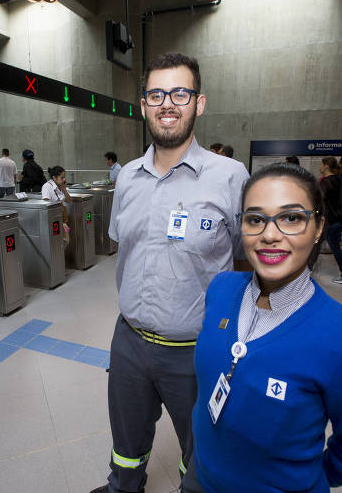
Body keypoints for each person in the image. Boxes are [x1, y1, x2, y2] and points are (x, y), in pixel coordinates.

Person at [181, 162, 342, 493]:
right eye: (255, 219)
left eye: (291, 218)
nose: (269, 235)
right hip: (200, 479)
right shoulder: (222, 289)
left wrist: (291, 481)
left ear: (319, 226)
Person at [91, 52, 250, 493]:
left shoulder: (230, 177)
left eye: (180, 93)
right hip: (129, 342)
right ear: (143, 105)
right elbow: (124, 247)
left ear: (198, 103)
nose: (168, 103)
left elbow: (246, 261)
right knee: (126, 439)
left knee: (200, 449)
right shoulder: (127, 179)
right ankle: (124, 487)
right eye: (156, 94)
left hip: (196, 351)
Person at [319, 157, 342, 284]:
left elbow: (319, 201)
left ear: (326, 166)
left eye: (321, 164)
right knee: (315, 245)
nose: (320, 167)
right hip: (337, 219)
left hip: (328, 220)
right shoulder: (339, 180)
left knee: (332, 247)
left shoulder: (326, 182)